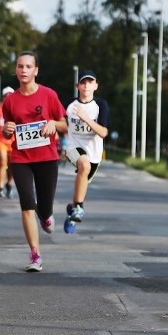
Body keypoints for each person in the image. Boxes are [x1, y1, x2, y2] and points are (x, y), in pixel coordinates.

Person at [0, 52, 67, 271]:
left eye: (28, 66)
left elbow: (64, 124)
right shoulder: (10, 100)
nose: (24, 70)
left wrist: (53, 125)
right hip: (21, 158)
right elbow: (7, 130)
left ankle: (46, 215)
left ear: (36, 70)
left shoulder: (48, 95)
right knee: (27, 204)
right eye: (20, 66)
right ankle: (35, 255)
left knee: (44, 208)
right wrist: (6, 129)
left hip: (47, 158)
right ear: (15, 70)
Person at [63, 70, 110, 233]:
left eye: (90, 82)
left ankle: (73, 209)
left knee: (83, 178)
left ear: (95, 86)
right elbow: (59, 123)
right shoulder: (69, 104)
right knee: (84, 165)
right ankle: (78, 207)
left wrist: (86, 118)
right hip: (73, 145)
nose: (86, 86)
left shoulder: (100, 106)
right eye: (83, 83)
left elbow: (103, 132)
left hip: (94, 152)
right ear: (78, 86)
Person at [0, 87, 16, 198]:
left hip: (13, 140)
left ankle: (9, 184)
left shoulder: (17, 107)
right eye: (6, 95)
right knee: (3, 161)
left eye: (11, 95)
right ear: (3, 96)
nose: (8, 97)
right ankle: (0, 187)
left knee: (11, 165)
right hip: (1, 139)